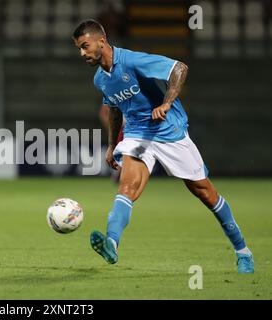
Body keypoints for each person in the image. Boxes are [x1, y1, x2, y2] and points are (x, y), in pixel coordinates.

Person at [72, 20, 254, 273]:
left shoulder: (133, 61)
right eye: (79, 49)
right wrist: (112, 143)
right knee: (127, 187)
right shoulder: (100, 80)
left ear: (101, 42)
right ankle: (111, 243)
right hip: (137, 133)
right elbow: (114, 108)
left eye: (85, 46)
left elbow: (179, 68)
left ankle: (243, 251)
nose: (82, 53)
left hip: (169, 131)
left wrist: (167, 102)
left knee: (205, 193)